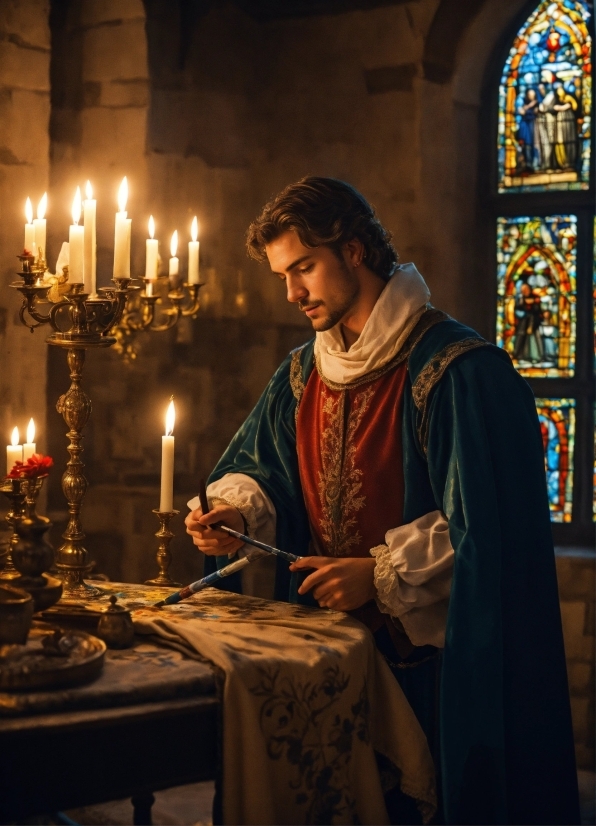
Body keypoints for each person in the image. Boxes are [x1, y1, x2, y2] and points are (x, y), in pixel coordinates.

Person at [185, 177, 579, 825]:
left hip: (434, 675)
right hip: (329, 666)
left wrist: (378, 575)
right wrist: (239, 513)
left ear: (355, 250)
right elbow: (266, 471)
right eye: (283, 274)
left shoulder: (457, 372)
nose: (292, 293)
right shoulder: (301, 375)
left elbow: (492, 534)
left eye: (304, 268)